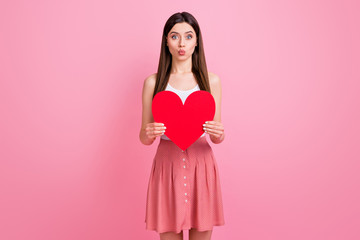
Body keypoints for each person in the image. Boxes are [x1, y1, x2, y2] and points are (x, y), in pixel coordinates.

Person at [139, 12, 225, 240]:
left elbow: (216, 135)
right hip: (167, 167)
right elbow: (144, 137)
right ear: (166, 41)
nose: (182, 43)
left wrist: (219, 134)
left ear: (197, 41)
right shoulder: (153, 82)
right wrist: (149, 133)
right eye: (175, 36)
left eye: (188, 36)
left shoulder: (211, 80)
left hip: (202, 166)